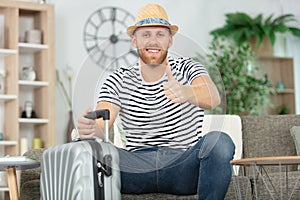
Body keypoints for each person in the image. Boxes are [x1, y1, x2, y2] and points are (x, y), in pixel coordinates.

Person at [77, 4, 235, 200]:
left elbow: (213, 97)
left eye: (160, 34)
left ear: (170, 40)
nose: (153, 41)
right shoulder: (118, 78)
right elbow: (103, 123)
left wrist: (185, 92)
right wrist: (92, 130)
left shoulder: (189, 68)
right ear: (134, 40)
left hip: (182, 167)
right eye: (146, 34)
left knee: (219, 141)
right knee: (87, 148)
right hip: (135, 168)